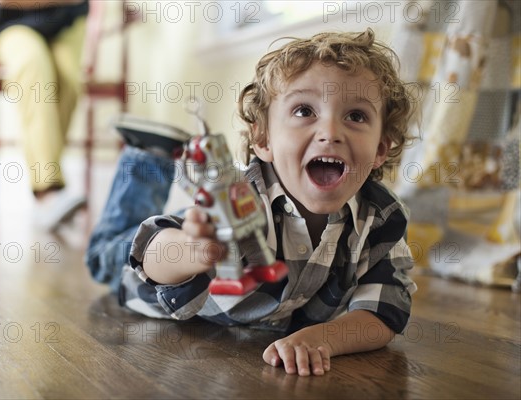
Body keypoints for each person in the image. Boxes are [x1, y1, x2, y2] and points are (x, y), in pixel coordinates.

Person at [86, 29, 418, 376]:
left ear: (381, 148)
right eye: (305, 110)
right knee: (105, 256)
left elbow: (385, 309)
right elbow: (153, 247)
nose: (330, 132)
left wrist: (322, 338)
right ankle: (146, 160)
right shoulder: (239, 196)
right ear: (263, 139)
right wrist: (191, 249)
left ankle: (153, 160)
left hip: (253, 302)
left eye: (356, 116)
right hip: (153, 274)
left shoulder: (382, 218)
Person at [0, 0, 89, 230]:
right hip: (11, 24)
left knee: (69, 80)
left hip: (66, 22)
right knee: (33, 66)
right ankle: (48, 192)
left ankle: (50, 184)